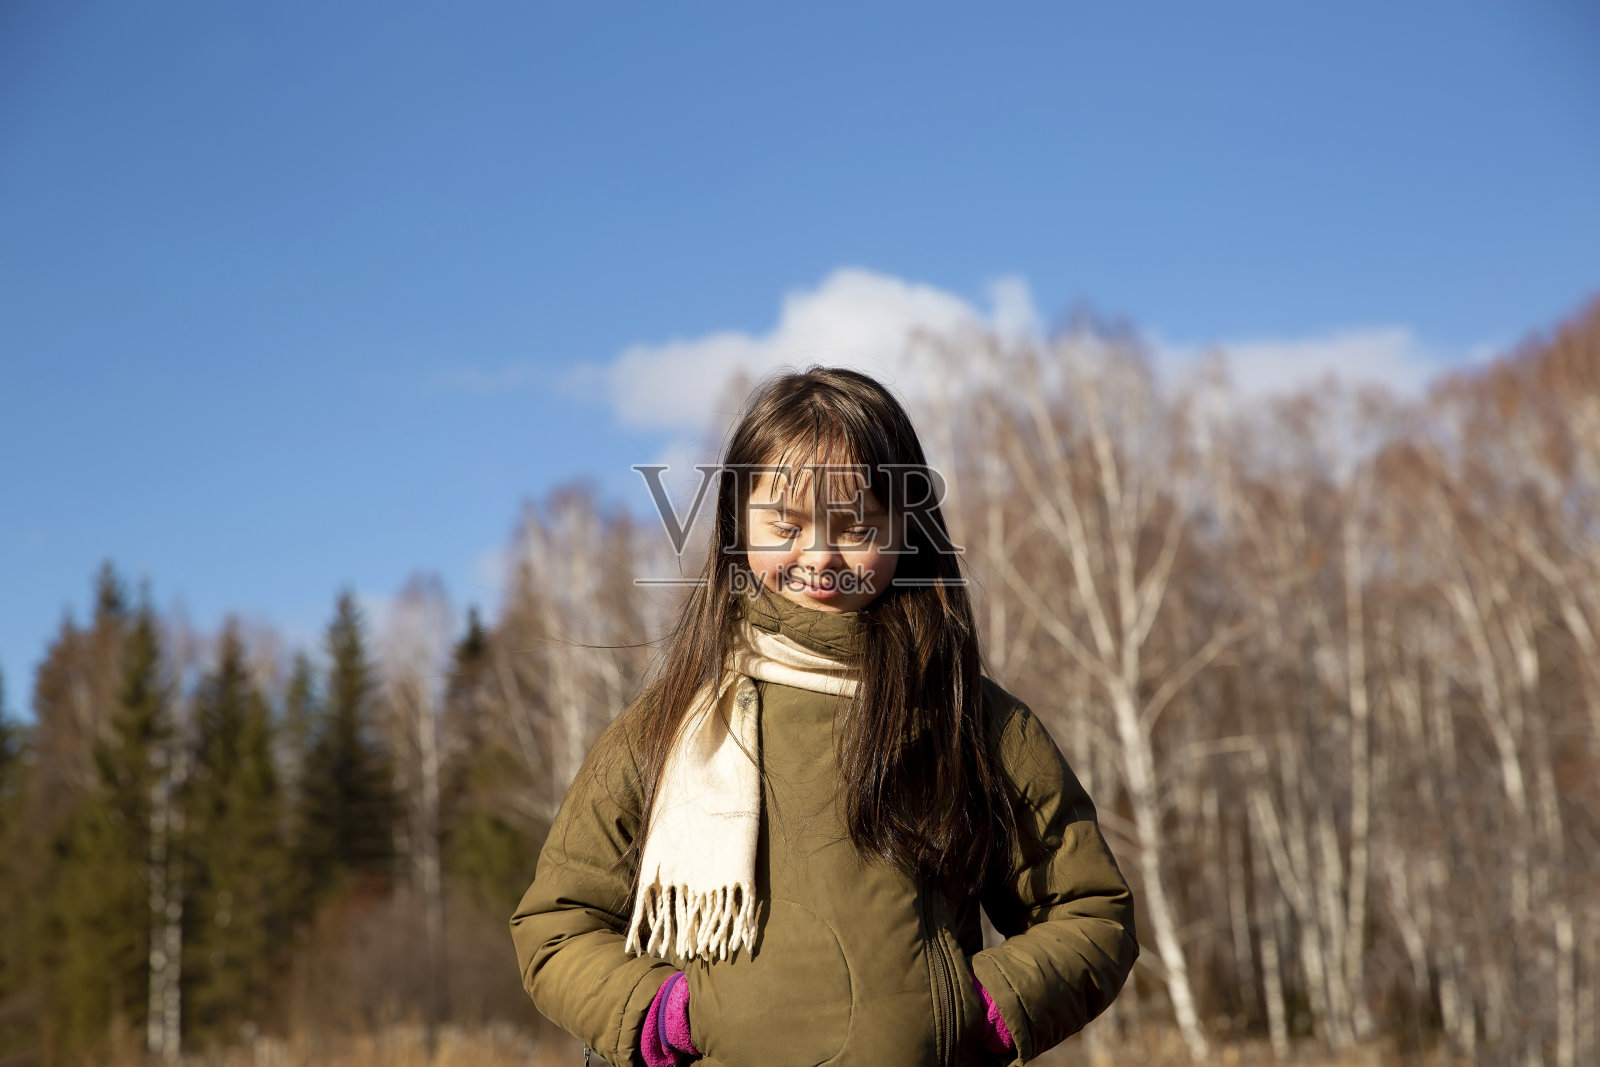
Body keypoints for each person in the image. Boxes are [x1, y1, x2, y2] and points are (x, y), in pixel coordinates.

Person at [510, 367, 1138, 1066]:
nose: (819, 555)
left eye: (855, 524)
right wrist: (669, 1016)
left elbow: (1092, 911)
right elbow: (556, 927)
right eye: (786, 523)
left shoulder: (971, 720)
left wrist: (971, 1011)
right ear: (735, 525)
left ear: (908, 528)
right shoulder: (662, 728)